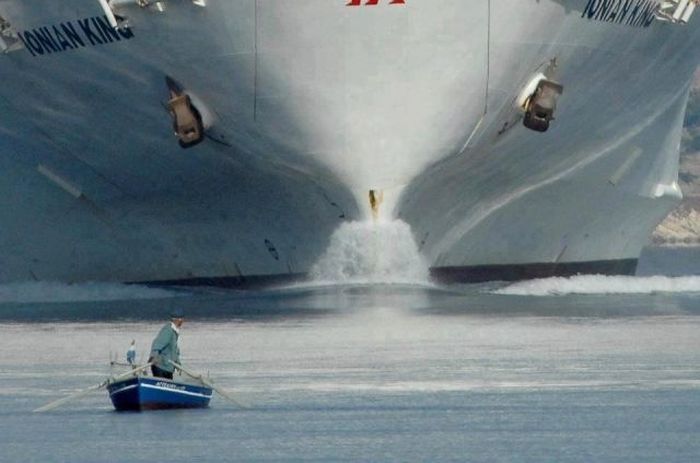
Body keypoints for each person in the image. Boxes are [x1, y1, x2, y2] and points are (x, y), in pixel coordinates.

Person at [148, 309, 184, 379]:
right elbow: (157, 344)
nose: (183, 321)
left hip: (168, 368)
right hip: (161, 367)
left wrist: (178, 364)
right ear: (178, 320)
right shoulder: (168, 330)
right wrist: (154, 356)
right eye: (182, 319)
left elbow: (174, 351)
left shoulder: (175, 332)